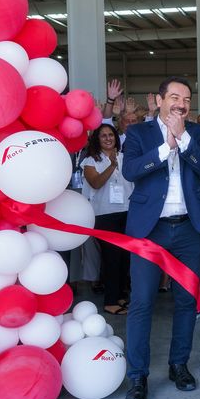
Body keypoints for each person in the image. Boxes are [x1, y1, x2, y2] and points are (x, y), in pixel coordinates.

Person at [121, 76, 200, 399]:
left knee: (187, 301)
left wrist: (183, 137)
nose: (181, 104)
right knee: (142, 302)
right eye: (174, 97)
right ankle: (137, 377)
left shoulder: (199, 133)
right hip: (150, 230)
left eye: (186, 99)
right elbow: (131, 171)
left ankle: (179, 365)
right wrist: (166, 147)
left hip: (189, 228)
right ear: (158, 100)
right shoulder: (138, 133)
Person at [80, 124, 134, 315]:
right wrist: (111, 166)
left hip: (127, 212)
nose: (108, 138)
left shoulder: (126, 157)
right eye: (103, 136)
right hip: (104, 215)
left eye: (111, 135)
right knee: (111, 258)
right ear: (97, 139)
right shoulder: (90, 161)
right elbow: (95, 183)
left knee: (124, 258)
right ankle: (110, 301)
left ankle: (120, 296)